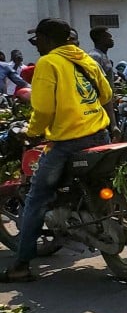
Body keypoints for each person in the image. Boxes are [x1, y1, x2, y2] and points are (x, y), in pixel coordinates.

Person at [0, 19, 115, 283]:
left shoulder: (48, 63)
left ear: (48, 39)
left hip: (68, 142)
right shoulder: (85, 59)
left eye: (37, 38)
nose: (35, 44)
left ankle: (21, 266)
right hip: (100, 135)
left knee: (36, 198)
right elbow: (106, 94)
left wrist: (31, 132)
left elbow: (43, 110)